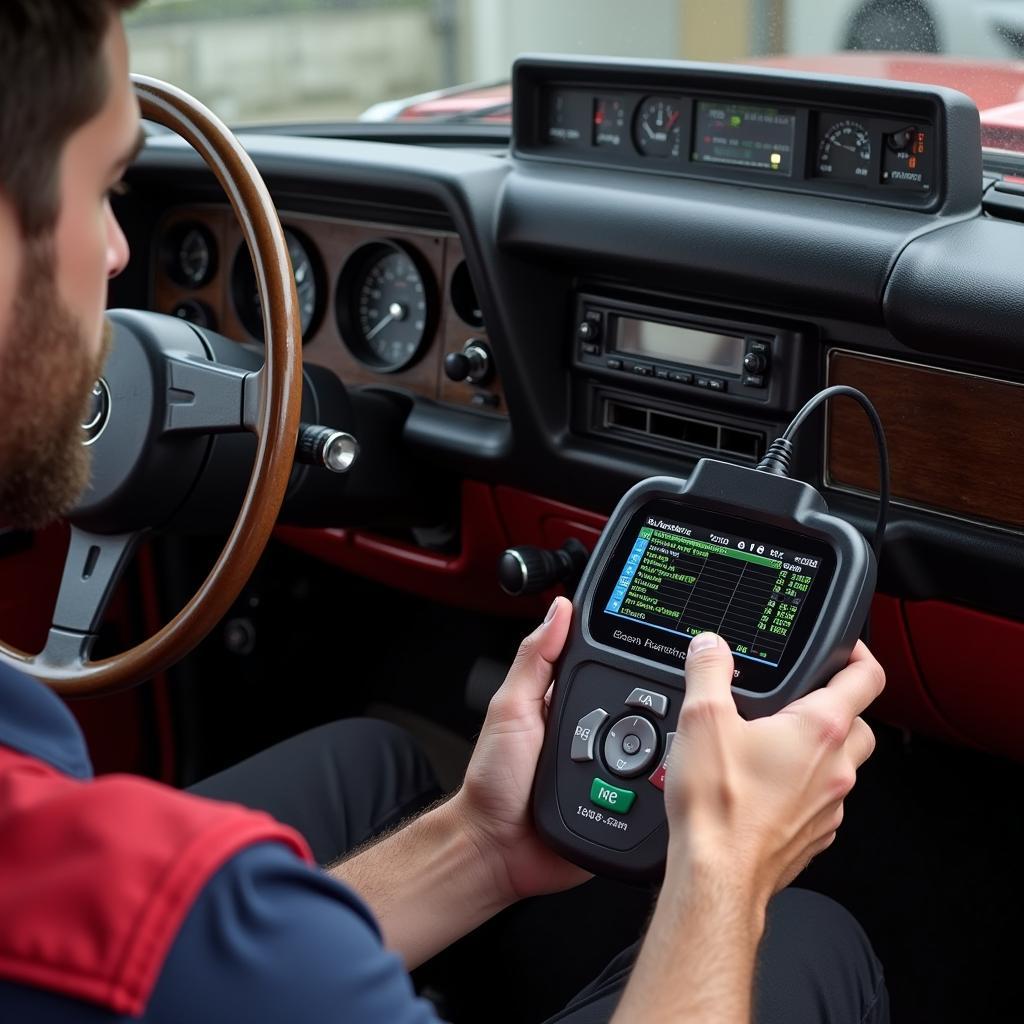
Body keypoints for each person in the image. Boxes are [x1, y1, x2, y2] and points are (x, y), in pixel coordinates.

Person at [0, 3, 889, 1021]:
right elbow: (207, 963)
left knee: (389, 759)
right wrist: (725, 865)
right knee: (807, 939)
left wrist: (483, 844)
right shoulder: (174, 930)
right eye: (108, 188)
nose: (119, 255)